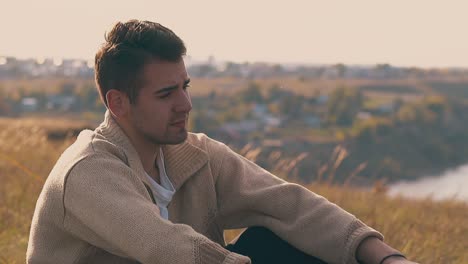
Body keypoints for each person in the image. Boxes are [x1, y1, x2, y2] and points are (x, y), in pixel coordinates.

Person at [27, 20, 417, 264]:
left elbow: (289, 204)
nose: (185, 104)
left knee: (278, 236)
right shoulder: (87, 172)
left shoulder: (194, 155)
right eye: (166, 94)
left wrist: (386, 258)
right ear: (118, 102)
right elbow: (167, 249)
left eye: (185, 86)